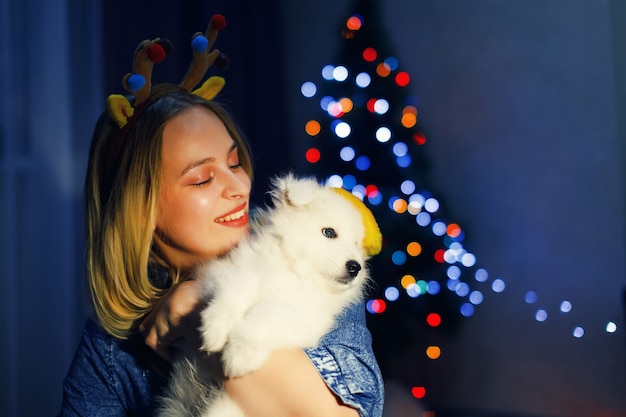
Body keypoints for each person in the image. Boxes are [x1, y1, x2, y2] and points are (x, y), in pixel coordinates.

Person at [58, 19, 385, 417]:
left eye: (234, 161)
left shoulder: (315, 270)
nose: (240, 186)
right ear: (143, 214)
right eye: (201, 178)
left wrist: (199, 307)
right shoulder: (109, 346)